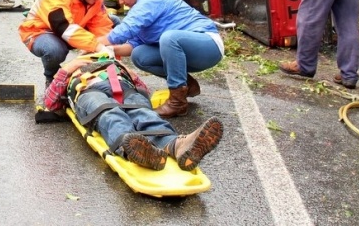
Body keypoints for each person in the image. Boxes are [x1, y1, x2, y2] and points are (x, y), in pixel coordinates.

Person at [44, 55, 224, 171]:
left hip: (124, 87)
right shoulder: (72, 70)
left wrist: (126, 70)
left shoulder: (114, 64)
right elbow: (50, 102)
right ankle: (133, 149)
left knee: (143, 112)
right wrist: (67, 69)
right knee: (109, 113)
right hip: (88, 91)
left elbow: (143, 91)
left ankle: (176, 145)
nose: (94, 56)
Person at [98, 0, 224, 118]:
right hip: (187, 50)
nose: (120, 2)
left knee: (169, 38)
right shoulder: (140, 5)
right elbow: (133, 44)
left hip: (208, 45)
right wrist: (108, 51)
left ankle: (177, 103)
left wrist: (94, 43)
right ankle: (187, 86)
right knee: (140, 55)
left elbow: (126, 28)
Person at [19, 0, 117, 85]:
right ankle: (52, 77)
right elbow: (64, 28)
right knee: (53, 50)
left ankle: (98, 70)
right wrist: (97, 46)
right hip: (40, 32)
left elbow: (101, 26)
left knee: (115, 23)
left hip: (72, 30)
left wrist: (110, 54)